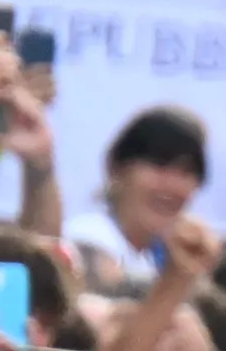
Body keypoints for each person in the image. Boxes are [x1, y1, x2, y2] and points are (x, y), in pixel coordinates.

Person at [62, 105, 206, 282]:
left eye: (186, 172)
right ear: (116, 168)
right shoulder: (89, 235)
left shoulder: (151, 256)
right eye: (160, 165)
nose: (172, 186)